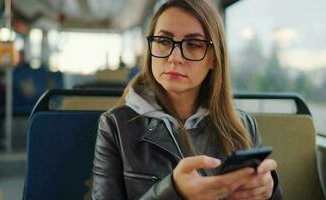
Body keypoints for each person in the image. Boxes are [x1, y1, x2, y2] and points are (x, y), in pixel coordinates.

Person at [91, 0, 282, 199]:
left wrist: (269, 189)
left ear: (214, 59)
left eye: (193, 44)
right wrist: (173, 192)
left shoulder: (243, 125)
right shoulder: (115, 126)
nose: (174, 57)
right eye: (164, 41)